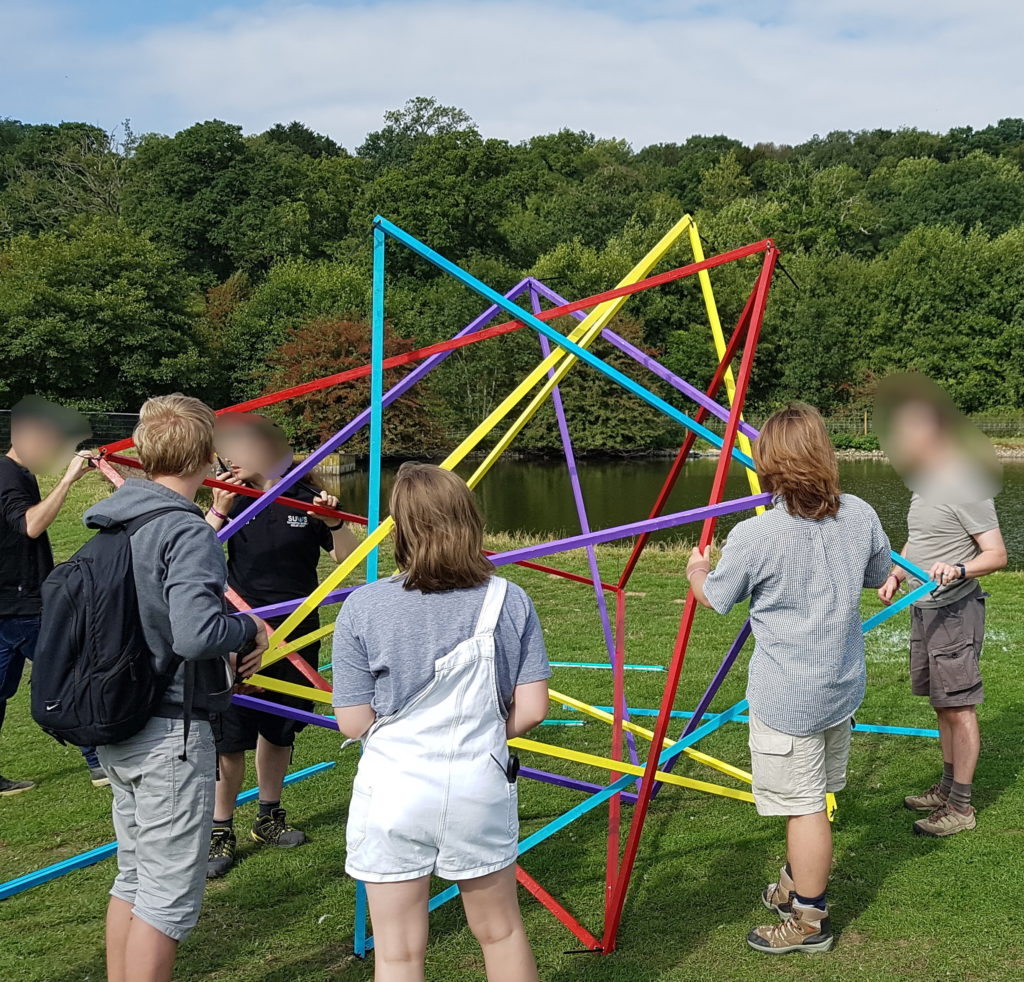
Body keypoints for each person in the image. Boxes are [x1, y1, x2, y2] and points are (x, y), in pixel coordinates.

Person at [686, 404, 891, 955]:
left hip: (789, 700)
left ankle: (807, 919)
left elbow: (718, 600)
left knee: (804, 807)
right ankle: (798, 881)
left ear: (770, 465)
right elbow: (878, 574)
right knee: (812, 794)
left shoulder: (757, 535)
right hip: (841, 688)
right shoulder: (861, 514)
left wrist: (697, 572)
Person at [332, 463, 550, 982]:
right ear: (469, 520)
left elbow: (352, 721)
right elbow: (534, 708)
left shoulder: (363, 606)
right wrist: (480, 734)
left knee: (398, 952)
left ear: (399, 527)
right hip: (478, 784)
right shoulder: (509, 599)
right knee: (501, 932)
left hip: (392, 791)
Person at [86, 394, 268, 982]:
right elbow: (195, 634)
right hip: (169, 731)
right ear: (205, 455)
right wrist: (248, 626)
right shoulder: (185, 532)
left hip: (121, 720)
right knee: (165, 897)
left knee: (134, 875)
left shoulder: (115, 520)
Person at [204, 413, 358, 877]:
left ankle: (268, 814)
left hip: (296, 632)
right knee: (229, 740)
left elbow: (351, 562)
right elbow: (191, 559)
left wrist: (333, 522)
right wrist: (218, 511)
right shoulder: (226, 499)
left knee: (279, 727)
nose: (227, 460)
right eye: (224, 453)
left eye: (236, 450)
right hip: (239, 636)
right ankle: (219, 827)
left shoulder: (307, 499)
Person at [875, 375, 1007, 837]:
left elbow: (997, 554)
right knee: (941, 704)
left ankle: (962, 808)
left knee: (960, 707)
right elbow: (920, 539)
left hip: (955, 611)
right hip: (924, 607)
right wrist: (896, 571)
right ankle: (947, 788)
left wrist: (959, 568)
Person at [0, 395, 106, 794]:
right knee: (69, 675)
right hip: (21, 606)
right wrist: (67, 481)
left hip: (14, 602)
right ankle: (98, 762)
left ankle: (97, 760)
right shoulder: (6, 474)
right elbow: (30, 525)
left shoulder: (16, 474)